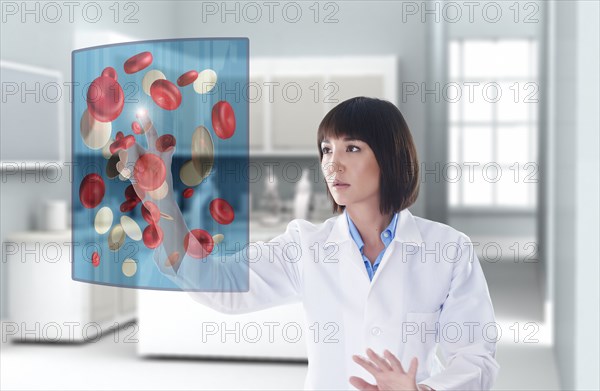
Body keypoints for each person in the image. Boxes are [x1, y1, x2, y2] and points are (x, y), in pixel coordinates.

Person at [128, 97, 499, 390]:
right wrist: (160, 195)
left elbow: (476, 357)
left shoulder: (449, 250)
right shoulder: (305, 246)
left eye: (351, 148)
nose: (332, 164)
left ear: (391, 156)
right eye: (326, 149)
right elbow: (219, 282)